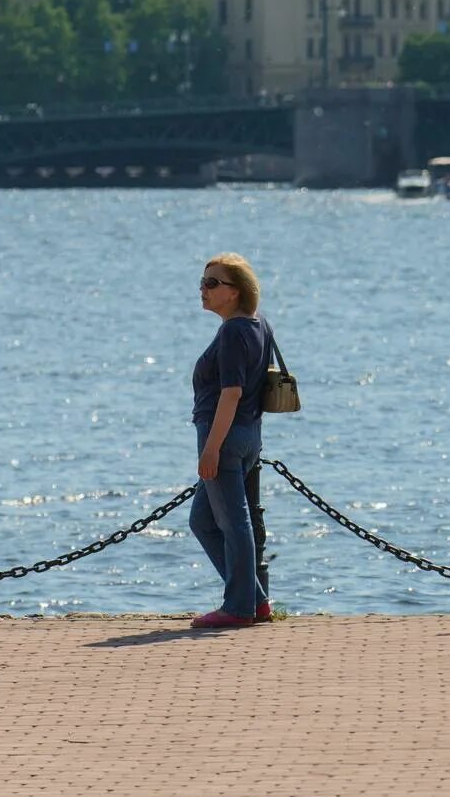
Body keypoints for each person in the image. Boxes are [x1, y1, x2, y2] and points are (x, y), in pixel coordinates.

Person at [188, 252, 273, 629]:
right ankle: (254, 599)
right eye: (202, 283)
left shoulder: (234, 331)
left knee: (233, 522)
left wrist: (211, 448)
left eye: (212, 284)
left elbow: (232, 393)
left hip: (223, 435)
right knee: (203, 520)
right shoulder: (258, 325)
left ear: (235, 292)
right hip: (248, 435)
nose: (203, 290)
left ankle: (238, 608)